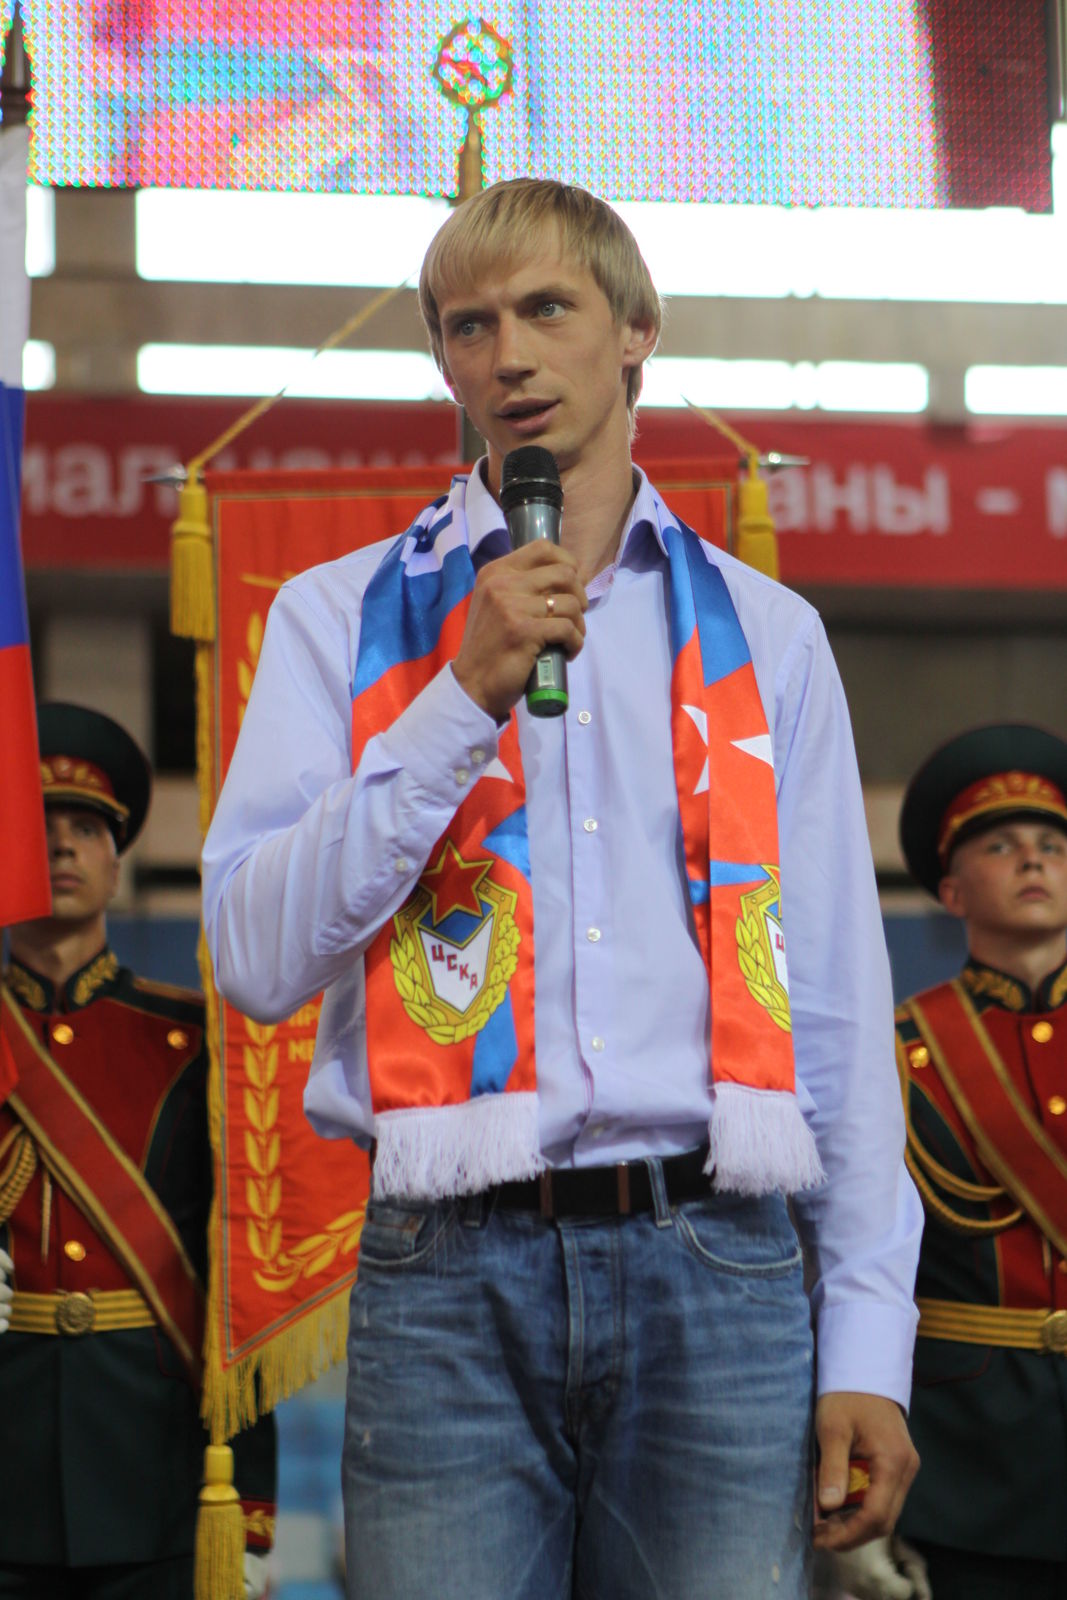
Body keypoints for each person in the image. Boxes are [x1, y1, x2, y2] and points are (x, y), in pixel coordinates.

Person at [202, 176, 921, 1600]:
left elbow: (834, 1004)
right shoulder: (339, 617)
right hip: (447, 1271)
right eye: (467, 326)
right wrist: (454, 702)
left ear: (636, 330)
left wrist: (865, 1340)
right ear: (442, 363)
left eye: (545, 309)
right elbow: (253, 955)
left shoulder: (765, 632)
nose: (508, 356)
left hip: (718, 1261)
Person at [0, 701, 276, 1600]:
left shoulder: (191, 1041)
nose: (62, 846)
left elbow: (237, 1270)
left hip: (151, 1459)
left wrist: (249, 1490)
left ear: (118, 861)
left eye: (87, 828)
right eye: (39, 828)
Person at [887, 723, 1067, 1597]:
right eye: (999, 845)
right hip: (969, 1463)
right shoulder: (897, 1052)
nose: (1032, 859)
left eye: (1051, 845)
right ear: (951, 890)